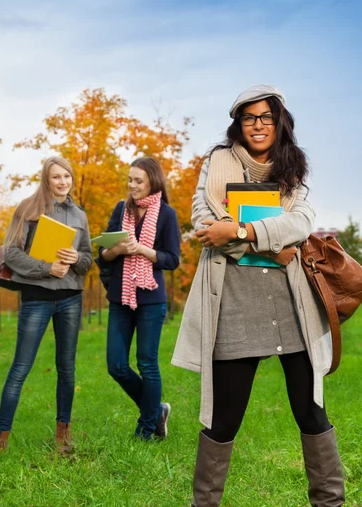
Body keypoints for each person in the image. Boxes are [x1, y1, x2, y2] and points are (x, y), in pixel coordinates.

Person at [172, 85, 345, 507]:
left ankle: (330, 502)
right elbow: (204, 223)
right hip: (234, 302)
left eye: (266, 116)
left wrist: (242, 230)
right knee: (223, 420)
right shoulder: (216, 163)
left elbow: (301, 223)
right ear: (238, 123)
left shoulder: (292, 167)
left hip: (291, 302)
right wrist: (270, 242)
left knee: (311, 410)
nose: (258, 125)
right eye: (249, 117)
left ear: (279, 121)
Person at [0, 156, 92, 452]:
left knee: (67, 368)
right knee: (20, 368)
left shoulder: (80, 215)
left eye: (67, 176)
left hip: (70, 299)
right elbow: (11, 253)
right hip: (36, 298)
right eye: (56, 177)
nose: (63, 182)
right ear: (46, 180)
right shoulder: (29, 208)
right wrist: (46, 268)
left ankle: (63, 434)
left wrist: (77, 259)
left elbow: (87, 259)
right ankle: (2, 438)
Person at [100, 156, 180, 441]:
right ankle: (156, 409)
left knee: (147, 363)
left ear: (152, 182)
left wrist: (142, 250)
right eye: (130, 180)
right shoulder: (121, 209)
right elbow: (104, 254)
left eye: (138, 181)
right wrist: (117, 250)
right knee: (116, 366)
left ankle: (147, 428)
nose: (132, 185)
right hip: (120, 297)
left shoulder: (167, 215)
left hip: (151, 298)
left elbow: (172, 259)